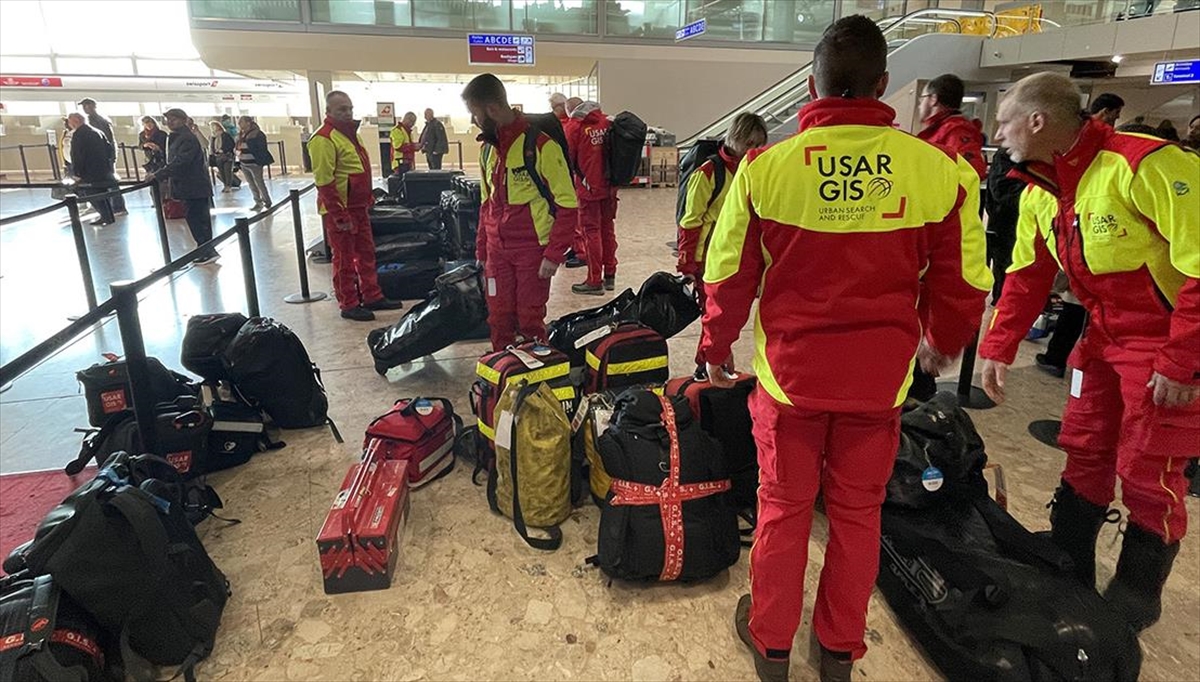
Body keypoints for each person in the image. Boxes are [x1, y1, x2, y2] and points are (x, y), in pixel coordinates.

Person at [701, 16, 991, 682]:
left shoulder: (763, 171)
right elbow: (967, 278)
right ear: (886, 84)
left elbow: (726, 272)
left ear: (812, 84)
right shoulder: (937, 172)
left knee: (782, 509)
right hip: (880, 384)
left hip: (790, 382)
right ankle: (838, 652)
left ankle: (772, 644)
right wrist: (943, 344)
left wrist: (715, 345)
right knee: (858, 515)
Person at [979, 72, 1199, 634]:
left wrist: (1182, 360)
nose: (996, 132)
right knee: (1085, 445)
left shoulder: (1146, 165)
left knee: (1150, 469)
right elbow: (1026, 277)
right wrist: (998, 347)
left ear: (1037, 121)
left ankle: (1135, 592)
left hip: (1165, 343)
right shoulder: (1040, 192)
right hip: (1099, 341)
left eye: (1004, 120)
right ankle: (1070, 554)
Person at [462, 73, 578, 350]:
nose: (473, 120)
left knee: (530, 319)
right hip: (496, 252)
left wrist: (553, 254)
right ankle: (503, 371)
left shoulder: (541, 146)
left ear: (491, 109)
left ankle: (537, 379)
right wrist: (482, 250)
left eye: (474, 113)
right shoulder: (487, 151)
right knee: (498, 316)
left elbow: (568, 204)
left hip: (532, 253)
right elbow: (486, 204)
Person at [309, 91, 401, 322]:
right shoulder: (323, 138)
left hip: (359, 207)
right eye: (341, 109)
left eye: (349, 108)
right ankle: (348, 303)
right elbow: (324, 181)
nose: (347, 112)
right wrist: (339, 214)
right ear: (328, 111)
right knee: (344, 258)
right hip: (340, 210)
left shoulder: (351, 134)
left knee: (366, 253)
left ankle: (372, 295)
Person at [677, 111, 767, 311]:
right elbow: (690, 222)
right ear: (734, 138)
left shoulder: (759, 171)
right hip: (712, 261)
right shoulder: (708, 173)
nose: (752, 150)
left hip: (744, 257)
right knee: (714, 316)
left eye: (759, 145)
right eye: (749, 143)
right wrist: (688, 265)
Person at [147, 108, 218, 264]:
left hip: (194, 186)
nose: (170, 122)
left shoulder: (186, 138)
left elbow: (181, 162)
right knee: (195, 219)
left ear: (183, 119)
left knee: (198, 219)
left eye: (174, 119)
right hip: (189, 186)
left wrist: (158, 175)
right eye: (168, 119)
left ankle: (207, 250)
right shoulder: (177, 137)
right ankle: (204, 249)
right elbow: (174, 161)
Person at [566, 100, 622, 295]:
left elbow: (568, 158)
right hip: (609, 187)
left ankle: (594, 280)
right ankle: (610, 275)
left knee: (591, 232)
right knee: (608, 229)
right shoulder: (608, 122)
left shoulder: (575, 126)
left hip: (588, 187)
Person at [916, 73, 987, 178]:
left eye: (922, 98)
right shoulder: (940, 130)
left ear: (933, 99)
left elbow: (972, 171)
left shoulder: (956, 131)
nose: (919, 105)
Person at [983, 147, 1024, 302]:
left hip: (1016, 223)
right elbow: (1001, 189)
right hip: (1006, 224)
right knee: (1006, 272)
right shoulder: (1008, 153)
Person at [66, 113, 117, 226]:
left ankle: (105, 216)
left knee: (93, 195)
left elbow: (78, 155)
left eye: (70, 121)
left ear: (76, 121)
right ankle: (108, 216)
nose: (69, 124)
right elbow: (109, 150)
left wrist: (77, 173)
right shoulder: (98, 132)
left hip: (89, 172)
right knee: (102, 194)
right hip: (102, 170)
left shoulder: (79, 134)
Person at [78, 97, 127, 215]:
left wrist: (109, 157)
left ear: (94, 106)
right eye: (84, 106)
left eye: (88, 106)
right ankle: (104, 205)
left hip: (104, 157)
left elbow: (107, 140)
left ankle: (118, 206)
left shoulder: (99, 121)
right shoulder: (90, 120)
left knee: (110, 181)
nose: (86, 108)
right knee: (102, 182)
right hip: (100, 157)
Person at [236, 116, 274, 211]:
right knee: (251, 184)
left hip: (254, 163)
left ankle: (267, 201)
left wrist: (258, 159)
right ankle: (258, 202)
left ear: (248, 123)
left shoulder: (257, 134)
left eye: (241, 122)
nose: (239, 124)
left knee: (259, 182)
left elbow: (261, 149)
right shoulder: (241, 134)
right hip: (244, 163)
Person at [207, 121, 238, 193]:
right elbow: (211, 147)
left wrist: (224, 149)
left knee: (228, 171)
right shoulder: (213, 137)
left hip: (227, 156)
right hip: (218, 156)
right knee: (221, 172)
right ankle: (225, 185)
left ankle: (229, 186)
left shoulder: (225, 135)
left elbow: (231, 144)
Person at [389, 111, 419, 177]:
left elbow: (408, 144)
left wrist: (415, 146)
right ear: (407, 119)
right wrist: (413, 147)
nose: (413, 124)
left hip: (408, 162)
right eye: (412, 122)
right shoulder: (397, 130)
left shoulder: (407, 131)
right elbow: (398, 146)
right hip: (400, 163)